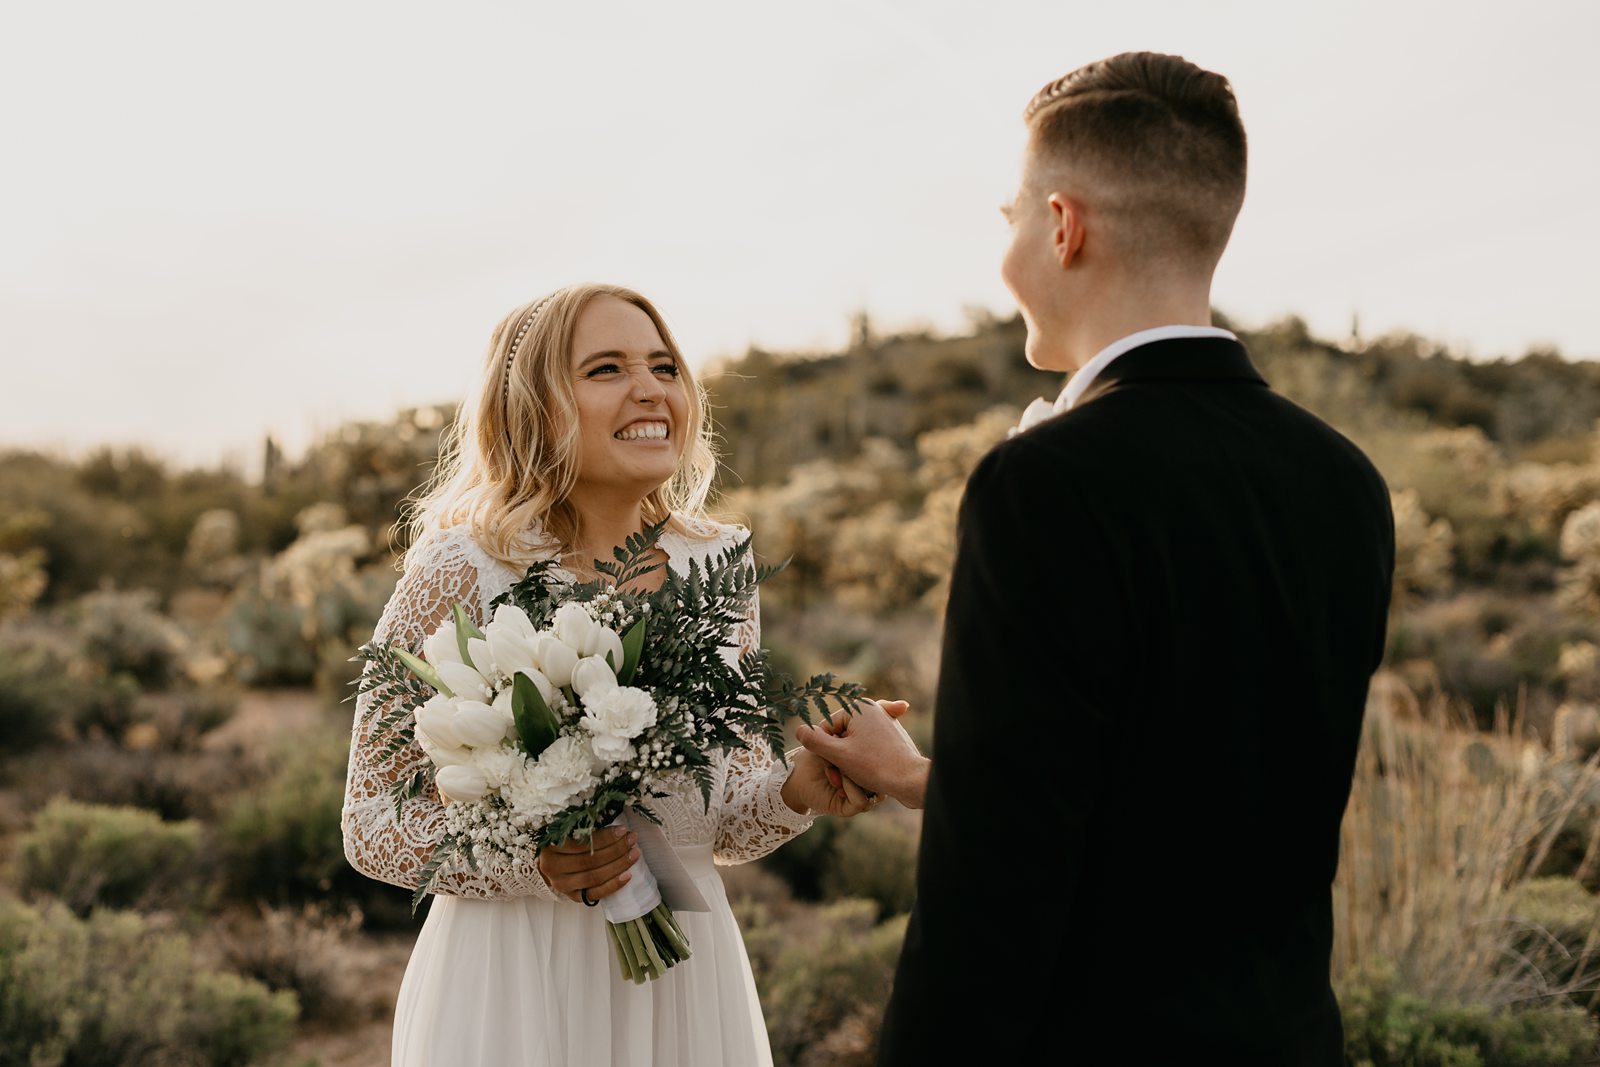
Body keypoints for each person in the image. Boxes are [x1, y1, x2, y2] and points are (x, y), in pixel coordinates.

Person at [854, 53, 1396, 1065]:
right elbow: (1193, 779)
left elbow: (993, 888)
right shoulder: (1344, 478)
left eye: (1010, 214)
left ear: (1061, 226)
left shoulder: (1042, 483)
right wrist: (933, 776)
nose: (1009, 244)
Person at [341, 283, 877, 1066]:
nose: (650, 387)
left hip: (685, 979)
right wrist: (532, 860)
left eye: (664, 364)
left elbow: (718, 814)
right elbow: (370, 822)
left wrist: (798, 787)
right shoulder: (464, 566)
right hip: (515, 978)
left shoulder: (717, 561)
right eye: (606, 368)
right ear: (534, 405)